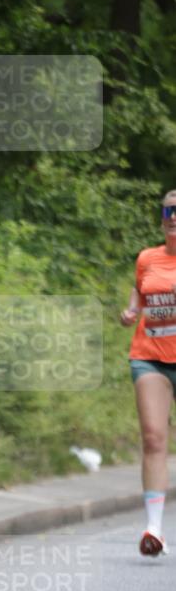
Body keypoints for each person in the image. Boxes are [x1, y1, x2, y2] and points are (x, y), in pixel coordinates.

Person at [120, 189, 176, 555]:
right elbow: (138, 297)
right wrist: (128, 313)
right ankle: (154, 529)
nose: (174, 217)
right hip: (149, 356)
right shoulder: (147, 258)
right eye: (169, 211)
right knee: (154, 439)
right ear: (162, 217)